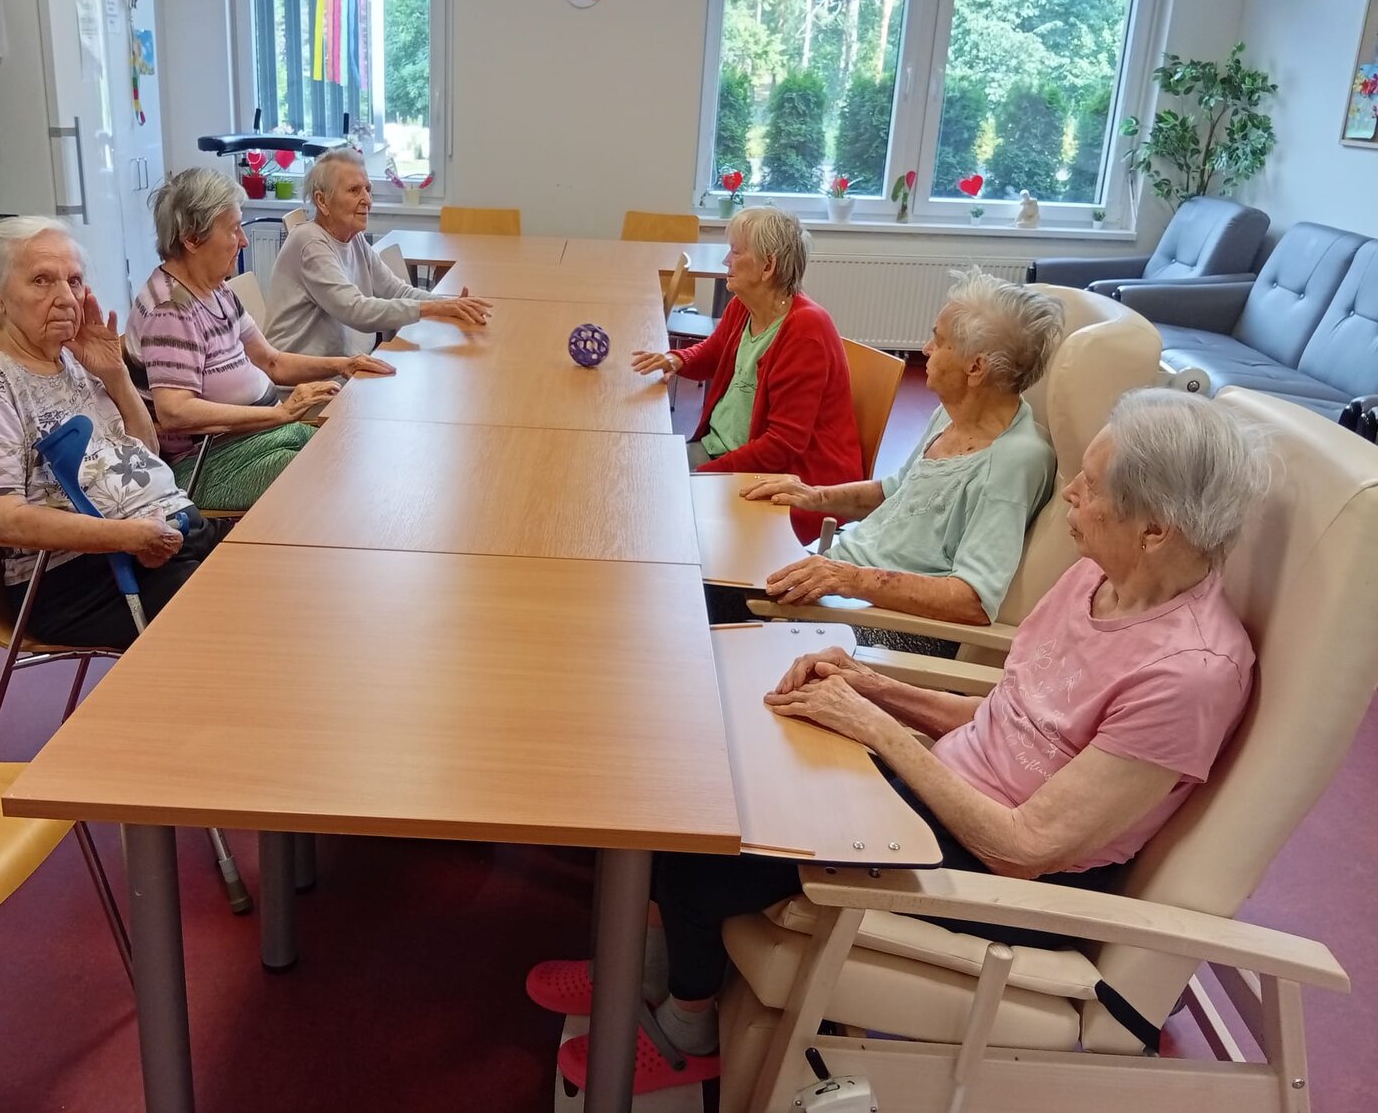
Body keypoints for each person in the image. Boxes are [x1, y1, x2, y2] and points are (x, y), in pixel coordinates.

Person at [533, 388, 1266, 1092]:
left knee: (712, 851)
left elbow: (1025, 847)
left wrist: (877, 727)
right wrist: (868, 684)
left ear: (1155, 530)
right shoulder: (1094, 578)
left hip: (1005, 879)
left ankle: (687, 1028)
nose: (1070, 491)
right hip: (942, 794)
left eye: (1092, 485)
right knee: (711, 772)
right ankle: (647, 968)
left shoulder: (1190, 674)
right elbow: (1007, 717)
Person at [0, 217, 223, 651]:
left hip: (161, 539)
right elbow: (1, 517)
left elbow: (144, 452)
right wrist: (127, 536)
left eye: (73, 281)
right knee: (235, 619)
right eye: (41, 281)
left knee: (271, 570)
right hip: (76, 577)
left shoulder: (71, 356)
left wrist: (115, 375)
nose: (65, 297)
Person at [747, 270, 1064, 645]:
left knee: (723, 611)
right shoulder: (951, 416)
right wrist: (814, 496)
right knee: (720, 576)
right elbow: (897, 491)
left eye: (939, 341)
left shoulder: (1012, 464)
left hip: (896, 622)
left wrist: (849, 579)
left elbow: (973, 600)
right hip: (851, 584)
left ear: (975, 368)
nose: (926, 349)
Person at [123, 167, 396, 512]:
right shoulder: (170, 311)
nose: (243, 240)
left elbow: (272, 362)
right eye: (233, 229)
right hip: (202, 463)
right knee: (329, 476)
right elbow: (175, 412)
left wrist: (344, 364)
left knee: (346, 447)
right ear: (191, 239)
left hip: (249, 438)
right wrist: (280, 415)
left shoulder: (216, 291)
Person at [631, 206, 861, 544]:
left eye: (737, 252)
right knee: (639, 475)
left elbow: (781, 446)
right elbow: (713, 353)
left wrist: (703, 475)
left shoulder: (805, 331)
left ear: (768, 267)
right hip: (726, 453)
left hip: (789, 480)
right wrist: (675, 359)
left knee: (653, 498)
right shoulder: (743, 306)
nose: (726, 260)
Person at [262, 148, 493, 357]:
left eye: (368, 189)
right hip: (304, 381)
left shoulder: (354, 238)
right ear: (322, 201)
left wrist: (448, 304)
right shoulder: (310, 242)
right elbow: (356, 310)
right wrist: (434, 308)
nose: (367, 200)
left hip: (342, 369)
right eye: (354, 190)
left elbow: (395, 290)